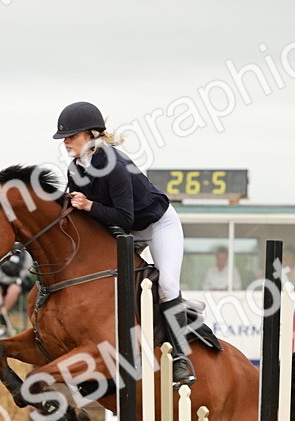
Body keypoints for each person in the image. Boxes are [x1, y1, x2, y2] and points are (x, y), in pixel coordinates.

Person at [54, 100, 195, 386]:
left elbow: (126, 217)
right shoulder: (75, 168)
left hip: (157, 225)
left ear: (92, 135)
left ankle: (181, 357)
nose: (66, 141)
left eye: (72, 135)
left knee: (167, 285)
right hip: (124, 229)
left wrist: (90, 205)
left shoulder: (114, 165)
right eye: (64, 137)